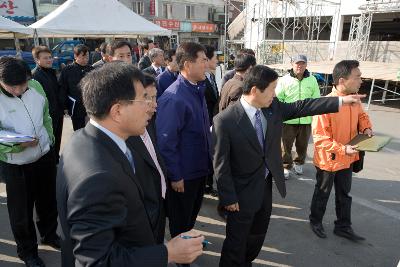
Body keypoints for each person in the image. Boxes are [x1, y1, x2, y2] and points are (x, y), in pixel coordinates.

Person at [212, 64, 366, 267]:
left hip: (265, 188)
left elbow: (303, 106)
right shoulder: (225, 120)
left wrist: (340, 101)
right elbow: (220, 164)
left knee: (257, 236)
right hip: (239, 195)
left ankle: (246, 261)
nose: (275, 94)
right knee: (235, 242)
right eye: (272, 89)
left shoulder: (272, 108)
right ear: (255, 90)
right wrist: (228, 197)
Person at [56, 62, 204, 267]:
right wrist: (168, 253)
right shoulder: (98, 178)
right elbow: (98, 261)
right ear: (117, 111)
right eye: (144, 98)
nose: (152, 105)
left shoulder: (84, 137)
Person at [0, 56, 59, 267]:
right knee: (21, 211)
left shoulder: (35, 86)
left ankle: (50, 234)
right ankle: (27, 252)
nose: (19, 90)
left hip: (43, 155)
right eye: (12, 87)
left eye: (22, 84)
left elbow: (46, 116)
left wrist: (49, 138)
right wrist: (16, 144)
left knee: (48, 201)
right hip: (16, 163)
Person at [156, 43, 212, 264]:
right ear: (188, 65)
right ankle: (182, 259)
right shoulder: (175, 96)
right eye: (202, 61)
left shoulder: (197, 88)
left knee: (190, 218)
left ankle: (187, 251)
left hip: (198, 170)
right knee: (180, 221)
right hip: (184, 175)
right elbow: (167, 142)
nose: (206, 65)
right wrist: (176, 175)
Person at [309, 60, 372, 241]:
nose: (361, 80)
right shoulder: (325, 104)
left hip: (348, 157)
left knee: (344, 194)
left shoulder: (354, 100)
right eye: (358, 76)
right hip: (329, 159)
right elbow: (320, 139)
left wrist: (366, 127)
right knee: (322, 193)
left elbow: (362, 116)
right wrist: (342, 148)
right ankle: (315, 221)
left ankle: (343, 226)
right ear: (342, 80)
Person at [126, 74, 167, 244]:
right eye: (147, 98)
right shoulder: (125, 136)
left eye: (154, 97)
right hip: (142, 216)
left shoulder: (149, 123)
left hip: (158, 205)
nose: (154, 104)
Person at [275, 55, 321, 179]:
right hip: (288, 119)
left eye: (302, 63)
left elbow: (316, 98)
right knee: (285, 145)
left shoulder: (312, 80)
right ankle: (285, 166)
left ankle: (299, 163)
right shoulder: (284, 80)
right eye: (297, 63)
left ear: (306, 65)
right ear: (292, 64)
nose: (299, 66)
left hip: (306, 119)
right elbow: (279, 98)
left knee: (303, 145)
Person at [32, 46, 64, 162]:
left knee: (57, 138)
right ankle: (51, 162)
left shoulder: (51, 72)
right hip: (47, 116)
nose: (49, 60)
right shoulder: (35, 76)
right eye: (45, 58)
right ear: (37, 60)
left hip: (57, 113)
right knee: (49, 141)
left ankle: (56, 159)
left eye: (50, 57)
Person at [58, 44, 93, 131]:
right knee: (78, 129)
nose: (85, 59)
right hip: (75, 106)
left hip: (90, 105)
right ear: (75, 56)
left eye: (87, 57)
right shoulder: (67, 70)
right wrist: (64, 106)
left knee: (90, 129)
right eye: (83, 57)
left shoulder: (91, 69)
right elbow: (63, 89)